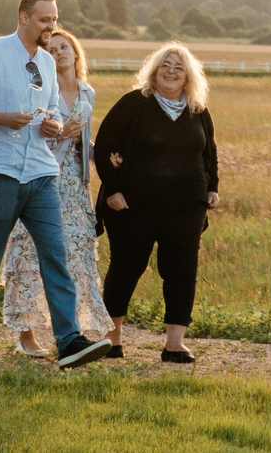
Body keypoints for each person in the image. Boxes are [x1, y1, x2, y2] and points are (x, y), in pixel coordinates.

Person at [0, 0, 116, 368]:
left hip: (42, 172)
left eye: (54, 19)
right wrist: (5, 118)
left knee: (55, 256)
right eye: (45, 20)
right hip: (0, 172)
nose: (51, 27)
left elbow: (50, 114)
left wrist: (55, 126)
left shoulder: (44, 62)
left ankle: (69, 341)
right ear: (24, 18)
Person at [93, 41, 220, 364]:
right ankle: (113, 338)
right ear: (154, 70)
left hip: (187, 206)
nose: (172, 72)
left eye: (179, 67)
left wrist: (212, 189)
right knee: (126, 267)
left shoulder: (198, 111)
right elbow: (104, 147)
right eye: (166, 66)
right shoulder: (134, 104)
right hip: (133, 205)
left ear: (188, 75)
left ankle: (174, 344)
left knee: (182, 271)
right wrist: (112, 190)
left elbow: (209, 155)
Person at [1, 25, 116, 357]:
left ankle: (71, 332)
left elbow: (81, 141)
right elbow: (30, 136)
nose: (59, 52)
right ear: (44, 59)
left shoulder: (87, 93)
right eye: (52, 49)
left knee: (75, 257)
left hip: (74, 187)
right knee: (29, 253)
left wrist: (106, 157)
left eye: (65, 47)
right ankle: (26, 335)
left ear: (76, 53)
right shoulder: (38, 89)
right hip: (40, 178)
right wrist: (61, 133)